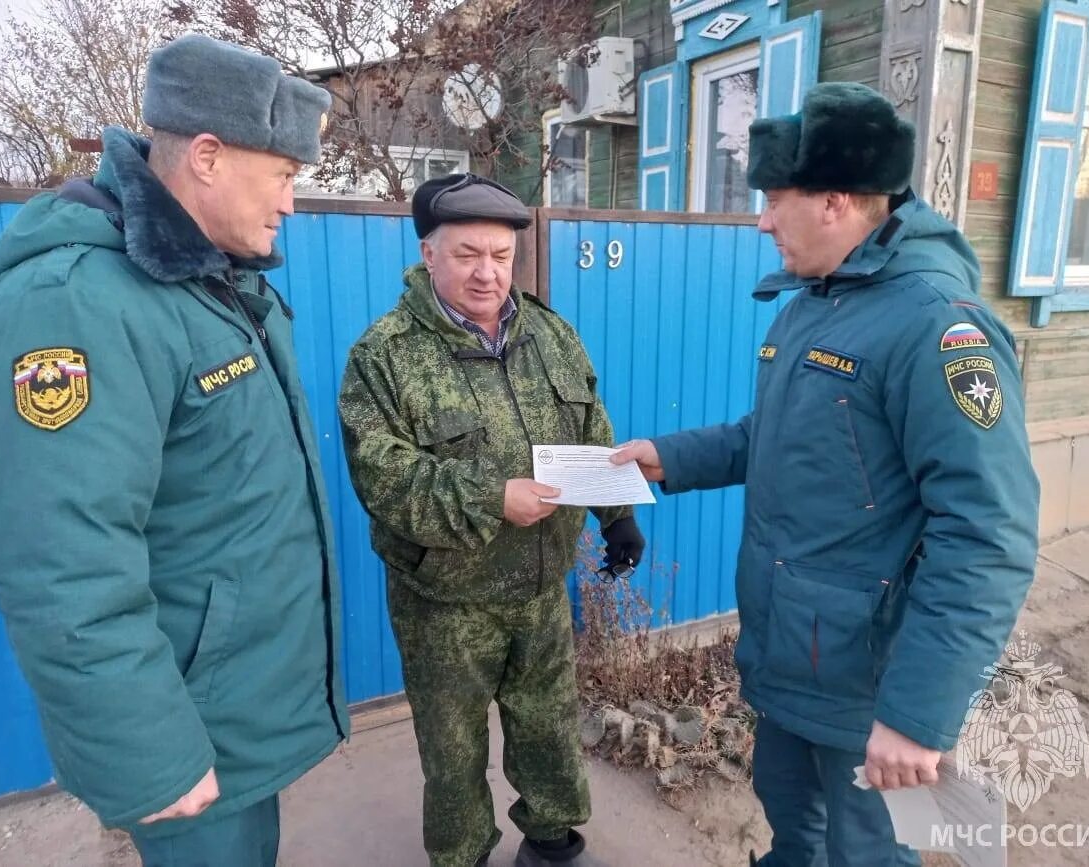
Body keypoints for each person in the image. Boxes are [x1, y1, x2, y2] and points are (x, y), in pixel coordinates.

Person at [613, 82, 1039, 866]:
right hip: (791, 660)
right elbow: (773, 435)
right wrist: (667, 457)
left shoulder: (936, 328)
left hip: (870, 687)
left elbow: (988, 535)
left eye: (777, 199)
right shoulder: (813, 301)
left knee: (871, 854)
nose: (763, 219)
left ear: (836, 201)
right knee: (792, 835)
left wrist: (918, 716)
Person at [0, 34, 349, 866]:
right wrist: (152, 754)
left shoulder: (210, 278)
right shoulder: (76, 301)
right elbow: (62, 561)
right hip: (183, 734)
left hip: (232, 711)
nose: (292, 204)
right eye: (285, 177)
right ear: (210, 156)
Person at [338, 173, 644, 867]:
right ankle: (463, 856)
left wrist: (616, 511)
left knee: (548, 732)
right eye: (468, 253)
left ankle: (552, 843)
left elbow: (591, 425)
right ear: (429, 253)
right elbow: (385, 479)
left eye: (500, 256)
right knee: (453, 755)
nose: (487, 273)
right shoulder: (384, 357)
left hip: (539, 591)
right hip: (445, 603)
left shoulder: (549, 332)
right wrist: (489, 496)